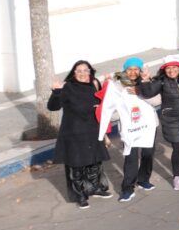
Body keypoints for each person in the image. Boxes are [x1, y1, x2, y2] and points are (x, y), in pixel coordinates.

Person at [48, 60, 112, 208]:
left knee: (94, 163)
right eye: (79, 71)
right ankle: (80, 195)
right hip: (74, 134)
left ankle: (95, 188)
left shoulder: (93, 85)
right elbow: (53, 107)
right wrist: (56, 92)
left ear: (90, 72)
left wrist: (108, 83)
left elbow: (104, 103)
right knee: (77, 167)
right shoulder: (68, 87)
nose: (83, 73)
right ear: (74, 73)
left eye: (86, 70)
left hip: (92, 131)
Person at [137, 57, 179, 191]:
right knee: (178, 147)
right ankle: (177, 176)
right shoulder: (161, 81)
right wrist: (144, 80)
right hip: (173, 121)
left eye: (174, 67)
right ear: (164, 70)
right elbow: (148, 93)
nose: (171, 71)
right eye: (168, 68)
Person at [112, 58, 156, 201]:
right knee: (131, 157)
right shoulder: (117, 85)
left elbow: (157, 101)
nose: (132, 72)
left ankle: (143, 179)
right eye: (129, 69)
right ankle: (127, 188)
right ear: (125, 70)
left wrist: (141, 90)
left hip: (148, 126)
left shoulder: (148, 81)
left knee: (148, 154)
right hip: (129, 128)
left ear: (140, 70)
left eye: (136, 69)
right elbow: (112, 109)